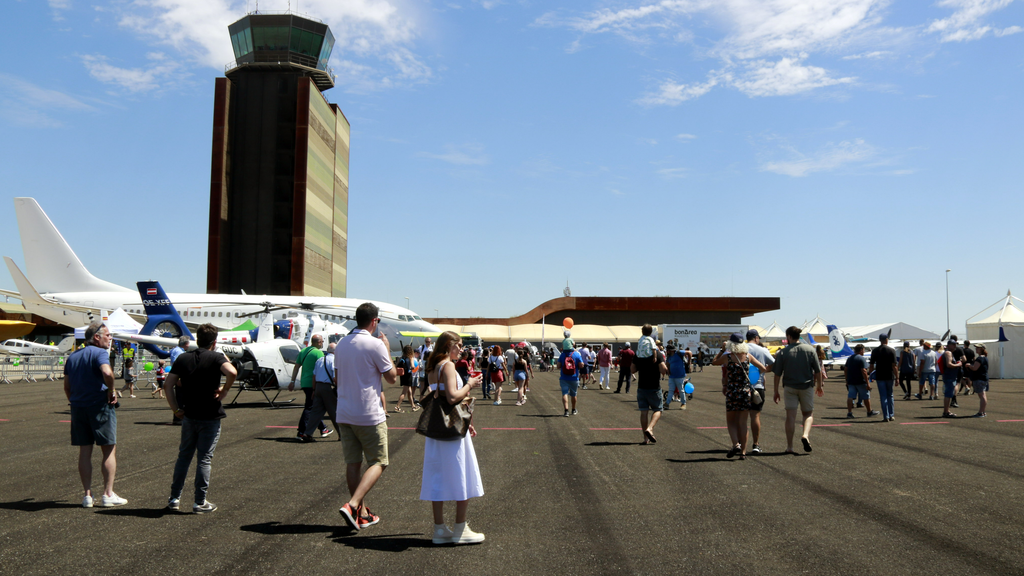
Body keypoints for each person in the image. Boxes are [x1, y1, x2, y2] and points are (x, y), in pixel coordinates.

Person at [335, 303, 398, 531]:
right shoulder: (375, 344)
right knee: (379, 461)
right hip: (368, 413)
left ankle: (361, 512)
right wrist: (387, 349)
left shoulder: (341, 344)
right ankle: (353, 505)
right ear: (374, 321)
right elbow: (391, 378)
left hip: (344, 411)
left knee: (353, 463)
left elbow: (336, 379)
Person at [163, 323, 237, 513]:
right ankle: (199, 501)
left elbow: (168, 385)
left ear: (198, 339)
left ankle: (174, 498)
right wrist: (225, 389)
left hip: (189, 414)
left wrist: (175, 409)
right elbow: (232, 372)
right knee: (204, 458)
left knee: (184, 456)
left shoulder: (183, 358)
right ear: (214, 341)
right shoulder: (216, 357)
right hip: (210, 415)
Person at [421, 331, 485, 545]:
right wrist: (470, 384)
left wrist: (470, 423)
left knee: (438, 475)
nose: (461, 349)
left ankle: (439, 528)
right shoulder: (448, 366)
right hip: (452, 430)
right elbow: (453, 397)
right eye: (458, 345)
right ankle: (460, 527)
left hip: (437, 428)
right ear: (449, 345)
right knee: (462, 472)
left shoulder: (432, 367)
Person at [64, 321, 126, 508]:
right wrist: (111, 390)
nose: (111, 338)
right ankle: (108, 493)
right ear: (96, 337)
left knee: (85, 451)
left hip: (78, 407)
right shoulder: (99, 352)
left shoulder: (73, 356)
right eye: (108, 335)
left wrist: (75, 401)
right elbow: (107, 372)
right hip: (99, 406)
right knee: (108, 449)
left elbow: (67, 387)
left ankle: (87, 496)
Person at [772, 326, 823, 454]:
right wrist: (819, 386)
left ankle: (790, 446)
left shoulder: (783, 352)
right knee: (808, 414)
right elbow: (818, 370)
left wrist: (776, 391)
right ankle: (805, 435)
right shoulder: (810, 350)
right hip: (806, 387)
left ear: (789, 336)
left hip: (790, 387)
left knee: (790, 417)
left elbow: (777, 374)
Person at [717, 338, 764, 459]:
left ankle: (735, 444)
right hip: (745, 392)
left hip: (732, 391)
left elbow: (714, 362)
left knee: (731, 421)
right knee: (743, 422)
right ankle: (743, 452)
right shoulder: (748, 356)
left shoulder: (727, 357)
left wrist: (722, 350)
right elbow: (763, 368)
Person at [289, 335, 332, 439]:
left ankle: (323, 428)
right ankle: (301, 431)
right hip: (313, 383)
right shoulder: (318, 353)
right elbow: (322, 368)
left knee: (315, 406)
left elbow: (296, 367)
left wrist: (292, 381)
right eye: (322, 341)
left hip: (304, 382)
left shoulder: (303, 351)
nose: (322, 343)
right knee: (310, 407)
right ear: (318, 342)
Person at [299, 342, 342, 442]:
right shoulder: (334, 361)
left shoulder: (319, 360)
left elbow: (314, 376)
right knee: (334, 411)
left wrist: (314, 390)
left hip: (318, 387)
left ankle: (307, 433)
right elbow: (335, 377)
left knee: (315, 412)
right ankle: (342, 434)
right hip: (328, 388)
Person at [744, 329, 775, 454]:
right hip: (758, 387)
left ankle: (740, 443)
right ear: (756, 338)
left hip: (742, 387)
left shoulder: (741, 349)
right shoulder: (762, 350)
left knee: (742, 416)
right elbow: (773, 363)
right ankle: (756, 444)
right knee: (755, 416)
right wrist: (764, 370)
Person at [631, 339, 668, 444]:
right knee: (658, 409)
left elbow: (632, 370)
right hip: (654, 387)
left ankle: (645, 438)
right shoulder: (658, 355)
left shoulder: (638, 355)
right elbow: (663, 369)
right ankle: (650, 428)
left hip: (642, 387)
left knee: (644, 412)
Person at [869, 334, 898, 422]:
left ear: (880, 340)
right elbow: (894, 366)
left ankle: (886, 416)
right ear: (886, 340)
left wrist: (871, 376)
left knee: (883, 396)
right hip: (889, 375)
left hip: (880, 376)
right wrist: (897, 377)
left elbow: (871, 365)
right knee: (890, 395)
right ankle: (891, 415)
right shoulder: (891, 350)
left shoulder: (875, 351)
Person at [845, 345, 877, 418]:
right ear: (861, 350)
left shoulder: (849, 358)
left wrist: (847, 380)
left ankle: (849, 413)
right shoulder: (861, 359)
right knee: (866, 396)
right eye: (863, 350)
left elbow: (846, 369)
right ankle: (869, 411)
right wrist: (867, 382)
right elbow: (864, 371)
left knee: (850, 397)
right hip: (860, 381)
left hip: (851, 381)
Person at [558, 340, 584, 417]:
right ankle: (573, 409)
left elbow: (558, 366)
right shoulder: (576, 354)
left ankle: (566, 411)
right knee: (574, 394)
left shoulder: (562, 355)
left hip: (564, 377)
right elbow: (581, 365)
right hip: (574, 377)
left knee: (564, 393)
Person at [940, 340, 963, 418]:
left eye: (955, 344)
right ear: (949, 345)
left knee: (949, 395)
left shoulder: (949, 353)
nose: (955, 346)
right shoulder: (948, 353)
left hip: (949, 376)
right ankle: (946, 412)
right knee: (948, 394)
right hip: (949, 376)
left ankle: (947, 411)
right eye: (953, 344)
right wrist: (958, 365)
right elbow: (949, 364)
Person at [394, 346, 418, 413]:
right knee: (404, 392)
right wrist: (412, 368)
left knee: (409, 391)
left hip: (402, 375)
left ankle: (413, 406)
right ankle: (397, 406)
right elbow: (413, 366)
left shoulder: (401, 357)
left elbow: (396, 365)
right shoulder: (410, 357)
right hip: (408, 375)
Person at [664, 344, 688, 410]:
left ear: (671, 350)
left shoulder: (679, 353)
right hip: (672, 376)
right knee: (671, 390)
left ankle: (683, 403)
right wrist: (668, 370)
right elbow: (667, 364)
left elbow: (689, 352)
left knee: (681, 390)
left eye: (667, 350)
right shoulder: (669, 357)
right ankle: (667, 403)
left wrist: (689, 362)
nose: (666, 351)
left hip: (680, 376)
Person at [969, 344, 989, 417]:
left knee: (982, 395)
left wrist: (969, 366)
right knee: (983, 395)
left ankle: (981, 412)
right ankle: (983, 411)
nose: (976, 349)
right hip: (984, 378)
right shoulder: (985, 358)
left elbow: (975, 368)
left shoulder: (979, 359)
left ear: (981, 349)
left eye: (978, 348)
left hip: (979, 378)